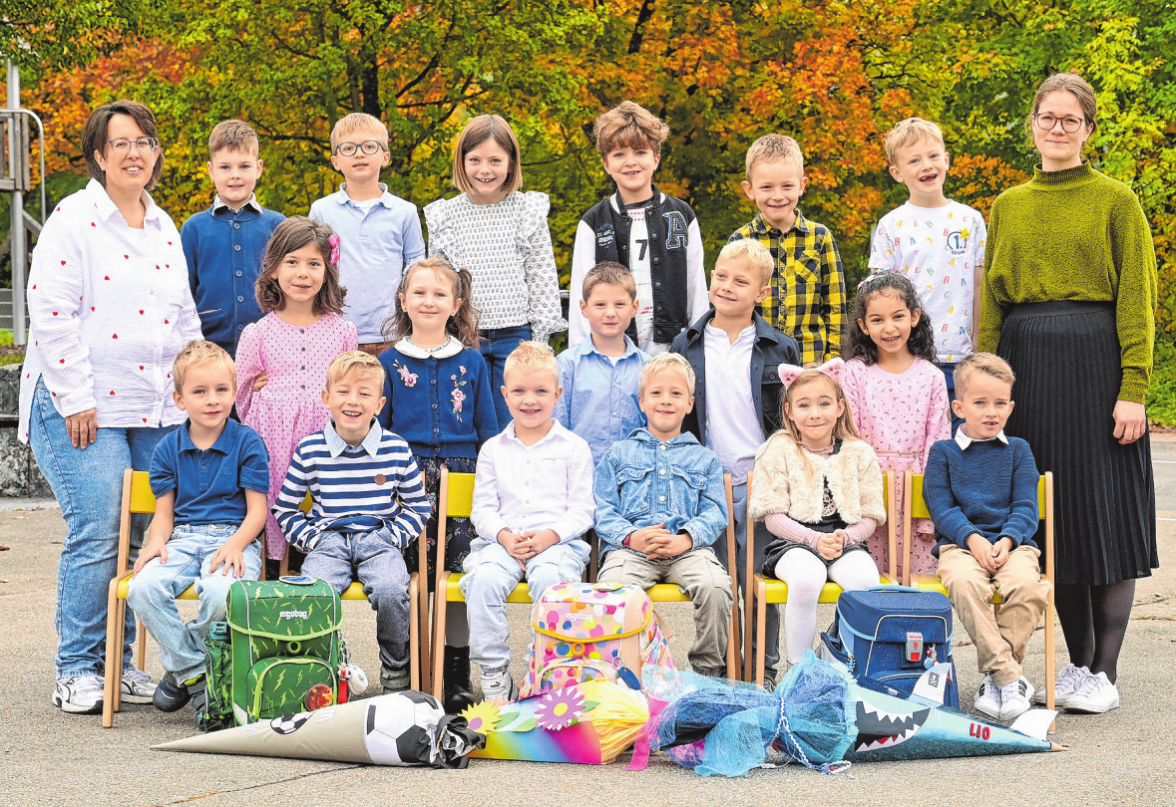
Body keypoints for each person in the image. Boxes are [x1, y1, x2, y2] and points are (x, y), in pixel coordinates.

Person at [979, 72, 1158, 714]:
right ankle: (1075, 666)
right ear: (1033, 125)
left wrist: (1132, 387)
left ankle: (1103, 673)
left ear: (1087, 129)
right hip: (1027, 369)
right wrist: (987, 389)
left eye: (1070, 119)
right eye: (1048, 117)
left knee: (1102, 516)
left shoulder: (1116, 200)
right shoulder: (1008, 205)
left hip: (1096, 364)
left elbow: (1139, 299)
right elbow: (992, 307)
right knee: (1055, 524)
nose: (1058, 128)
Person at [20, 99, 203, 714]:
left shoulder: (164, 225)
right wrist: (74, 397)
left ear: (156, 153)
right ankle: (75, 668)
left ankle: (118, 665)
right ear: (99, 156)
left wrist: (194, 393)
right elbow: (49, 311)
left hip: (154, 406)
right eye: (120, 143)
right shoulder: (75, 217)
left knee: (141, 537)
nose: (134, 152)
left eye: (144, 141)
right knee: (99, 527)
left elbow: (182, 318)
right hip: (83, 402)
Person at [670, 239, 800, 685]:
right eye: (721, 276)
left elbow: (791, 420)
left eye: (740, 281)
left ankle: (763, 672)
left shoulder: (780, 348)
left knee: (761, 585)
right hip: (710, 484)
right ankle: (723, 675)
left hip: (764, 483)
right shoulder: (685, 344)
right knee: (721, 586)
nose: (727, 286)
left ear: (761, 293)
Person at [377, 257, 498, 710]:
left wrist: (488, 481)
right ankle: (407, 666)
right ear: (404, 301)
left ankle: (455, 671)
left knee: (457, 579)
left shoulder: (472, 362)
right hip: (404, 482)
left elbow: (488, 428)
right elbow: (380, 433)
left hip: (462, 478)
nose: (429, 301)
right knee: (407, 576)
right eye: (420, 292)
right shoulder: (387, 362)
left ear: (456, 303)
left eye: (439, 294)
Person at [272, 351, 431, 693]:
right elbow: (284, 508)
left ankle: (395, 668)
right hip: (328, 542)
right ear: (326, 398)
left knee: (392, 592)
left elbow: (419, 507)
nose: (353, 401)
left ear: (380, 403)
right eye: (343, 391)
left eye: (364, 393)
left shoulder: (396, 449)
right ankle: (320, 667)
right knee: (313, 593)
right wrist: (312, 540)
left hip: (378, 540)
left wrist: (391, 537)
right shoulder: (310, 450)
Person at [126, 341, 269, 719]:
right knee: (142, 587)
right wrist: (154, 543)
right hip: (182, 538)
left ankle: (178, 670)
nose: (212, 400)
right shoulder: (167, 449)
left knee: (223, 593)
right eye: (200, 391)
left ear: (235, 393)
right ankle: (196, 673)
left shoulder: (248, 442)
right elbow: (164, 514)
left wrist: (238, 544)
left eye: (222, 390)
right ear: (179, 398)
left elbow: (258, 512)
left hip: (234, 538)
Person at [462, 342, 595, 701]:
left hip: (556, 545)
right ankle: (493, 674)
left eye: (540, 391)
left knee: (552, 582)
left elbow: (583, 510)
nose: (529, 400)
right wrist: (504, 537)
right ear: (504, 394)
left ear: (558, 394)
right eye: (519, 391)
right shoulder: (493, 450)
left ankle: (538, 669)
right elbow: (483, 510)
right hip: (500, 544)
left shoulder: (574, 447)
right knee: (483, 581)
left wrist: (550, 536)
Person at [922, 353, 1048, 721]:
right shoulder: (943, 453)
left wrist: (1007, 541)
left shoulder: (1019, 451)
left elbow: (1026, 507)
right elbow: (942, 508)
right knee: (962, 583)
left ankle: (996, 681)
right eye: (980, 403)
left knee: (1028, 587)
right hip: (961, 546)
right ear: (959, 406)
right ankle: (1010, 676)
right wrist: (974, 540)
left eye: (999, 403)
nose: (991, 412)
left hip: (1014, 545)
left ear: (1010, 406)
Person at [594, 353, 734, 677]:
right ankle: (631, 674)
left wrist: (685, 539)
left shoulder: (705, 458)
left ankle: (706, 676)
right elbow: (601, 509)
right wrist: (632, 536)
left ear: (690, 403)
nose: (666, 400)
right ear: (641, 401)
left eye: (676, 393)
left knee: (716, 587)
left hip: (688, 550)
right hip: (630, 551)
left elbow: (715, 511)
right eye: (656, 393)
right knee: (613, 589)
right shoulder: (618, 455)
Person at [424, 115, 566, 430]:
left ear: (511, 163)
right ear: (462, 162)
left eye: (495, 160)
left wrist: (538, 343)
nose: (485, 169)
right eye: (474, 160)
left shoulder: (527, 211)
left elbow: (542, 278)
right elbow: (437, 283)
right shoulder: (445, 215)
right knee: (465, 426)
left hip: (515, 339)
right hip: (462, 339)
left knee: (512, 429)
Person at [235, 217, 357, 576]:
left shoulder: (343, 332)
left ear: (327, 271)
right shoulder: (257, 334)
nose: (303, 273)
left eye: (313, 263)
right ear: (273, 269)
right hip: (272, 448)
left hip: (326, 447)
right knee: (272, 525)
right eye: (292, 262)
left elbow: (350, 393)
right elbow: (241, 399)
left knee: (321, 535)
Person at [748, 360, 883, 674]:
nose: (815, 413)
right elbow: (771, 515)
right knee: (807, 579)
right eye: (804, 405)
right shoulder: (777, 449)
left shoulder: (859, 452)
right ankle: (798, 671)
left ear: (839, 407)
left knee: (864, 582)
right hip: (792, 542)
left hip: (843, 540)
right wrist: (813, 539)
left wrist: (845, 537)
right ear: (790, 410)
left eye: (824, 403)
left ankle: (846, 663)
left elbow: (870, 516)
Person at [568, 101, 708, 355]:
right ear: (606, 164)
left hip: (672, 351)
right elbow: (581, 292)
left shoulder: (681, 215)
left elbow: (696, 287)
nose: (630, 162)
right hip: (612, 352)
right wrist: (580, 356)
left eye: (640, 152)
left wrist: (699, 346)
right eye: (619, 154)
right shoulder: (593, 222)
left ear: (656, 158)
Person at [869, 117, 987, 420]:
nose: (927, 165)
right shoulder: (891, 225)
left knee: (960, 440)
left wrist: (979, 344)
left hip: (960, 359)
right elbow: (881, 294)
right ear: (897, 173)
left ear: (946, 160)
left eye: (934, 156)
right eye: (914, 160)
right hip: (908, 358)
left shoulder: (969, 220)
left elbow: (980, 286)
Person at [842, 272, 950, 580]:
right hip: (868, 492)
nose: (889, 328)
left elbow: (938, 448)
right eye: (877, 320)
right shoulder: (854, 374)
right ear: (863, 325)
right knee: (866, 583)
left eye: (898, 316)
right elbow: (849, 439)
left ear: (914, 316)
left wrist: (929, 517)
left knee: (917, 581)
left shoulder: (931, 377)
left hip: (917, 490)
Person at [309, 112, 426, 354]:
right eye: (348, 148)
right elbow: (311, 265)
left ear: (385, 157)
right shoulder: (321, 211)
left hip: (393, 334)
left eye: (369, 146)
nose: (359, 153)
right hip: (334, 332)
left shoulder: (405, 212)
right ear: (335, 161)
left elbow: (417, 269)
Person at [728, 134, 846, 364]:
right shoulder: (740, 241)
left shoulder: (820, 238)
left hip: (810, 361)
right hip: (756, 361)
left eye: (787, 186)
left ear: (802, 186)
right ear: (749, 189)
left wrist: (832, 361)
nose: (778, 196)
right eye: (766, 187)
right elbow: (730, 306)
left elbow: (835, 307)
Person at [180, 119, 285, 358]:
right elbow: (184, 292)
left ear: (258, 168)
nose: (235, 175)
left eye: (244, 166)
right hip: (209, 348)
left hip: (269, 347)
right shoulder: (193, 228)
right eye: (225, 167)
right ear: (210, 170)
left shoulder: (277, 224)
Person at [554, 261, 650, 466]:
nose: (610, 312)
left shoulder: (648, 368)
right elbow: (557, 428)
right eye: (600, 304)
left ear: (634, 308)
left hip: (634, 478)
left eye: (619, 304)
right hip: (582, 477)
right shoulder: (566, 365)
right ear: (584, 307)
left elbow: (654, 427)